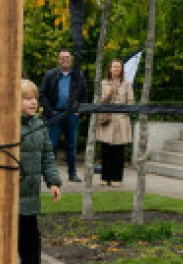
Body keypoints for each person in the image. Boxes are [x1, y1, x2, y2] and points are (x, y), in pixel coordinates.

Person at [18, 79, 62, 264]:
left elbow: (48, 155)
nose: (33, 102)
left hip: (30, 194)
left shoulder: (39, 125)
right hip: (12, 193)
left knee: (32, 239)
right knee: (11, 238)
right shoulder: (8, 125)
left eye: (34, 98)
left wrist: (53, 181)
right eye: (27, 98)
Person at [40, 47, 88, 182]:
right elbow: (42, 94)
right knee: (52, 144)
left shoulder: (78, 75)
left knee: (71, 145)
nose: (65, 60)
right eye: (62, 58)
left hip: (72, 115)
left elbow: (84, 95)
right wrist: (50, 110)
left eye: (67, 58)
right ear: (58, 60)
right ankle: (51, 175)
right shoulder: (51, 75)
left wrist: (80, 110)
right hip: (56, 115)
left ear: (70, 59)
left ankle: (72, 174)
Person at [94, 58, 134, 186]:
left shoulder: (127, 84)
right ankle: (105, 178)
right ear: (110, 69)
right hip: (107, 120)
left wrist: (124, 113)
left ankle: (117, 178)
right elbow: (100, 102)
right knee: (106, 150)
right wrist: (110, 92)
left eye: (118, 67)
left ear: (121, 69)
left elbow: (131, 102)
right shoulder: (103, 83)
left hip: (121, 121)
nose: (116, 69)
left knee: (118, 151)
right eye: (114, 66)